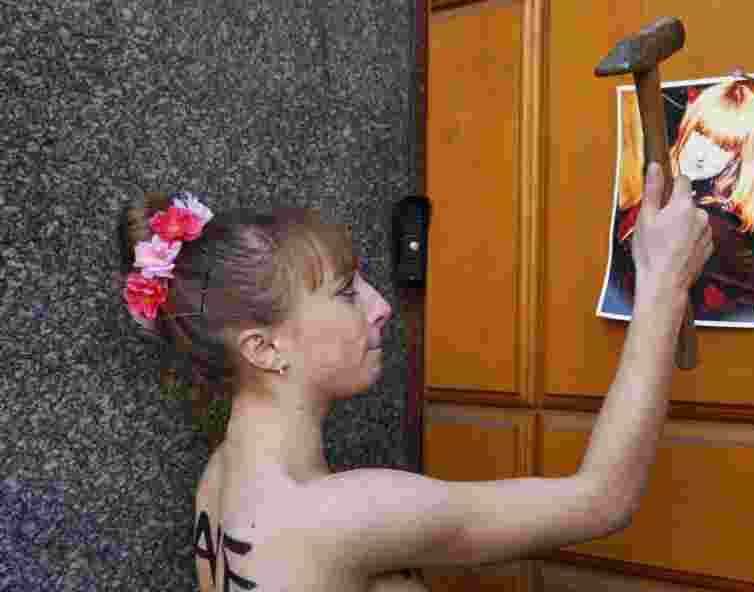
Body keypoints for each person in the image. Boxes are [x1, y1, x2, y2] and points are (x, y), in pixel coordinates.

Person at [116, 163, 710, 591]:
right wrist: (661, 287)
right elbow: (602, 500)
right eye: (346, 293)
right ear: (265, 347)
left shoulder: (219, 479)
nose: (380, 305)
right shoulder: (345, 513)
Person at [616, 79, 754, 323]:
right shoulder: (672, 188)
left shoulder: (721, 224)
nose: (701, 154)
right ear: (686, 128)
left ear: (737, 158)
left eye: (722, 146)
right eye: (700, 133)